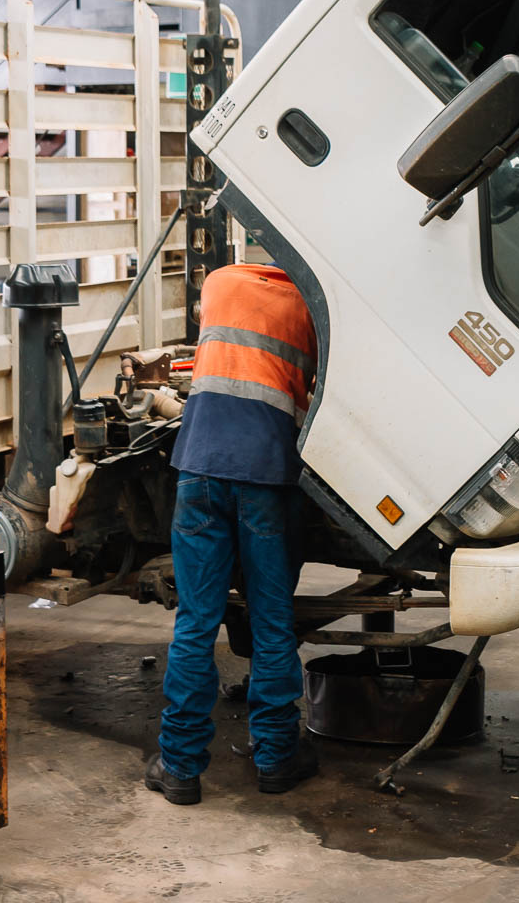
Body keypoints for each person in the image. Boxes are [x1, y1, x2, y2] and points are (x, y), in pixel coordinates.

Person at [145, 262, 319, 804]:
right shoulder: (313, 307)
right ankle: (275, 758)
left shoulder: (220, 281)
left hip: (199, 465)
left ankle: (179, 769)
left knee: (196, 623)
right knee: (271, 621)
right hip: (266, 473)